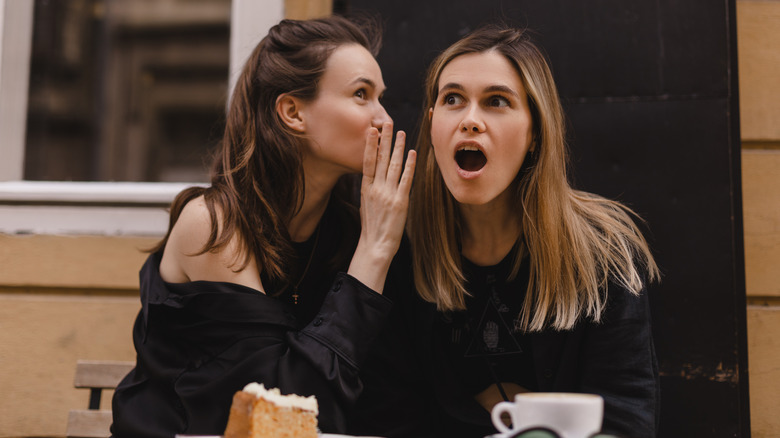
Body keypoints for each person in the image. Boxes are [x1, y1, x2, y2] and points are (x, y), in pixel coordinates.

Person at [110, 16, 416, 438]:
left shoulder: (348, 227)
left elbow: (387, 399)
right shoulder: (215, 226)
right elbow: (280, 416)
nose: (384, 119)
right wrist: (374, 252)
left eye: (381, 98)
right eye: (361, 94)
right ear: (293, 112)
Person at [349, 25, 659, 438]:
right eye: (452, 99)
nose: (470, 121)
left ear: (535, 132)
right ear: (432, 123)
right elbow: (387, 417)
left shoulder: (603, 253)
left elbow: (626, 419)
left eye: (496, 101)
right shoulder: (400, 252)